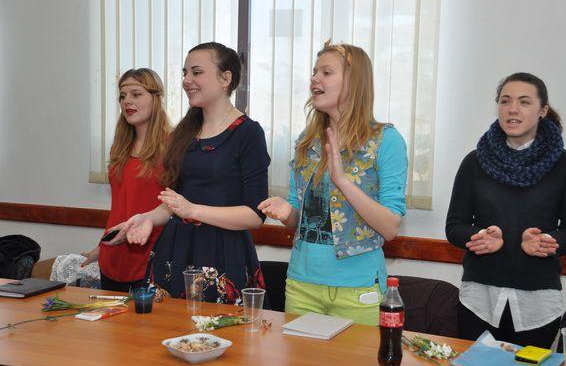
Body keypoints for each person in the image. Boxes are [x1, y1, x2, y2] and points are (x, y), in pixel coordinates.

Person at [258, 41, 408, 325]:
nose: (315, 79)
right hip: (302, 285)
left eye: (326, 72)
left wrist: (342, 181)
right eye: (314, 72)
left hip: (358, 290)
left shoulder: (387, 140)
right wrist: (287, 212)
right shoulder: (306, 141)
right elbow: (300, 220)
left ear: (354, 82)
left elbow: (390, 227)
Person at [113, 42, 270, 304]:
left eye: (197, 72)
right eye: (185, 73)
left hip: (223, 254)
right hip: (175, 251)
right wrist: (147, 218)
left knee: (218, 329)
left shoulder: (248, 133)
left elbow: (255, 214)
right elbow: (174, 203)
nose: (187, 81)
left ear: (225, 78)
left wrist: (192, 210)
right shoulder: (183, 133)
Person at [446, 72, 566, 348]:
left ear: (542, 110)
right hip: (479, 299)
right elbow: (454, 227)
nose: (513, 109)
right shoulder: (474, 162)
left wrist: (547, 240)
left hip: (538, 304)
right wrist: (480, 237)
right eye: (505, 101)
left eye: (524, 102)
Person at [80, 68, 171, 292]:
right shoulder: (119, 147)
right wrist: (101, 247)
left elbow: (176, 206)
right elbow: (121, 206)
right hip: (112, 257)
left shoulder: (173, 146)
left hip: (152, 257)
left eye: (136, 94)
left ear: (156, 98)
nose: (126, 101)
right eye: (122, 96)